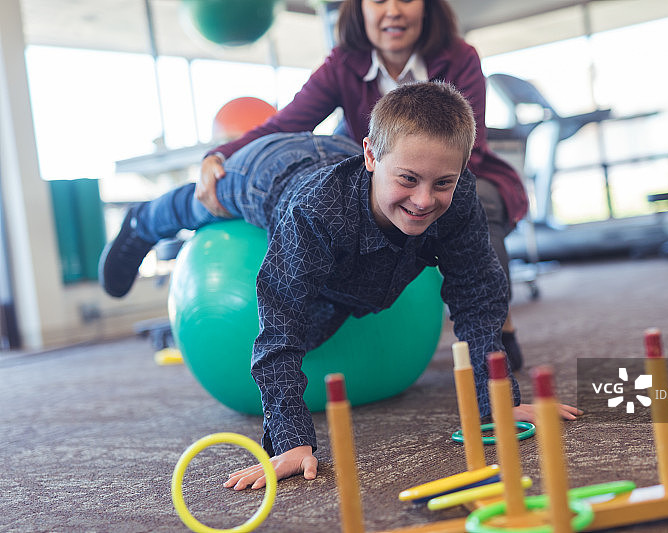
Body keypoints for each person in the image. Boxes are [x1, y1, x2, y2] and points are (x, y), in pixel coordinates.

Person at [100, 82, 580, 487]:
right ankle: (142, 220)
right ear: (372, 155)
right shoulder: (312, 213)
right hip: (270, 171)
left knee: (331, 315)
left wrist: (497, 402)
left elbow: (476, 297)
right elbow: (280, 325)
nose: (423, 200)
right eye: (408, 180)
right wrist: (290, 441)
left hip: (341, 165)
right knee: (207, 200)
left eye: (442, 183)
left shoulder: (458, 196)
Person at [196, 0, 529, 370]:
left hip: (459, 174)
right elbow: (286, 124)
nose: (393, 10)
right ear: (360, 8)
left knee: (474, 198)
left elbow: (470, 150)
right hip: (374, 187)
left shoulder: (459, 57)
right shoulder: (343, 63)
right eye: (379, 0)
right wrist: (221, 154)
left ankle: (497, 325)